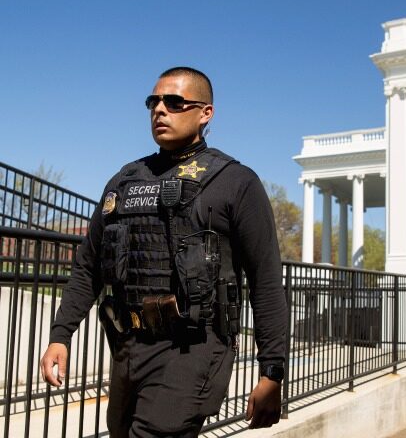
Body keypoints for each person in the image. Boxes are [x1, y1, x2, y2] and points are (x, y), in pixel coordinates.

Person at [40, 66, 288, 437]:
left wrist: (272, 371)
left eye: (174, 102)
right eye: (152, 102)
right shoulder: (125, 179)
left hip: (192, 350)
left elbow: (266, 281)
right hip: (128, 347)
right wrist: (61, 335)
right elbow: (88, 266)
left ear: (205, 113)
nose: (160, 109)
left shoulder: (236, 182)